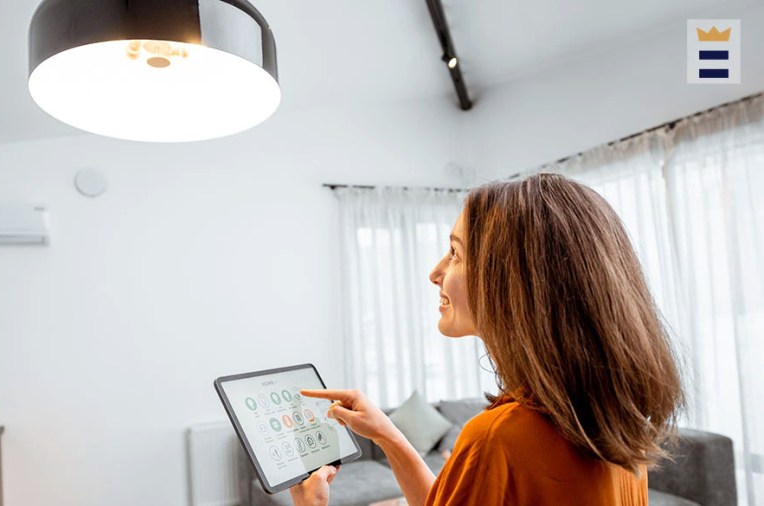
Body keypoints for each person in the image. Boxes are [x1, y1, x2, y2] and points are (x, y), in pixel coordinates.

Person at [290, 173, 684, 506]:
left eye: (455, 253)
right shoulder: (613, 420)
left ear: (512, 281)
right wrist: (390, 437)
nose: (435, 272)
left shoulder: (498, 440)